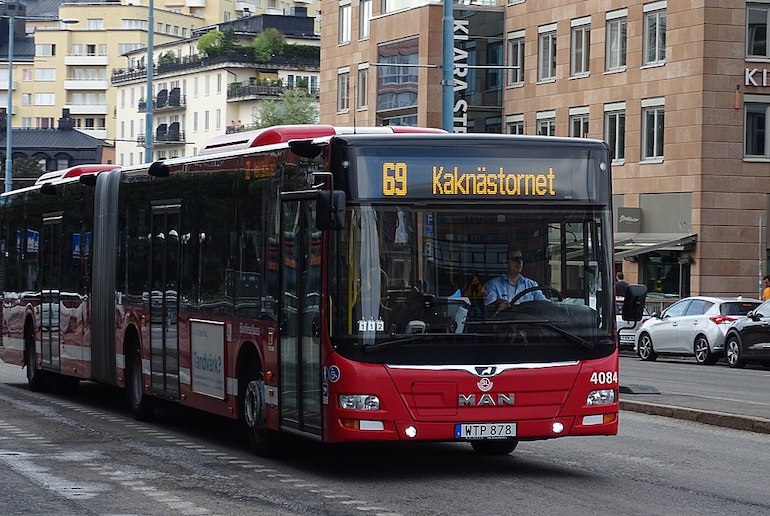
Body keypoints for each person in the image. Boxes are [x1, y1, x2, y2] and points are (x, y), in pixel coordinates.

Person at [484, 246, 548, 312]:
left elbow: (545, 304)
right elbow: (488, 309)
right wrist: (497, 303)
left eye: (521, 259)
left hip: (530, 321)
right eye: (515, 259)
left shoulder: (532, 285)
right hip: (505, 321)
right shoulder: (493, 285)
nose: (519, 262)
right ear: (505, 263)